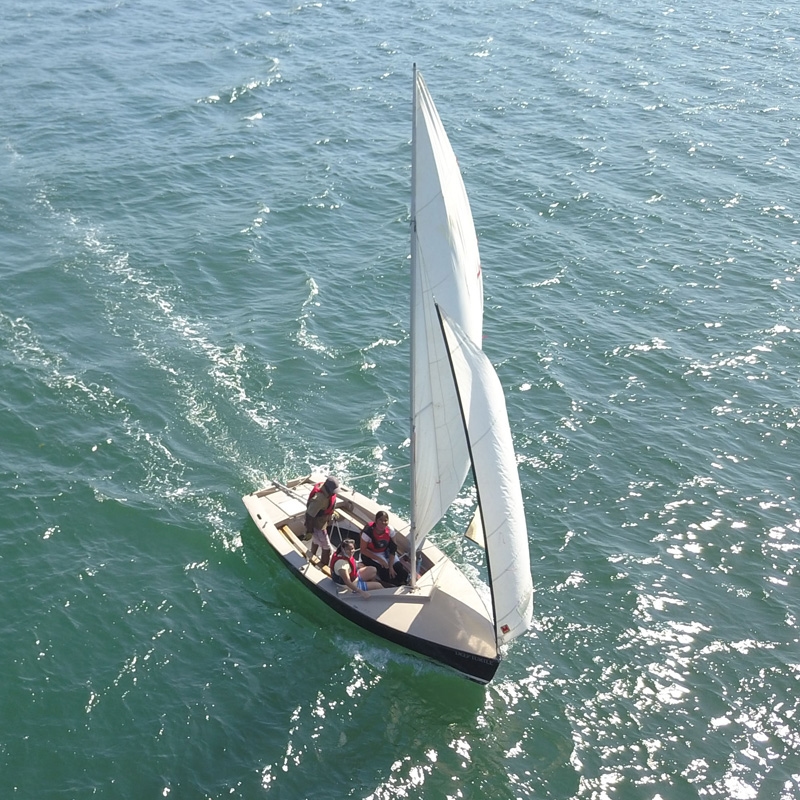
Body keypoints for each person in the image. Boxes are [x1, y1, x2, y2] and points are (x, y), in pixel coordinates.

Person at [360, 510, 409, 586]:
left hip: (386, 551)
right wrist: (380, 560)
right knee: (386, 573)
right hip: (372, 553)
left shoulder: (390, 530)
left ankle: (403, 582)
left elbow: (393, 548)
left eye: (385, 520)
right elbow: (363, 550)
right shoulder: (367, 533)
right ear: (376, 521)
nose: (383, 523)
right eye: (380, 520)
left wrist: (391, 566)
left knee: (400, 570)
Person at [305, 476, 339, 568]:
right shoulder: (319, 499)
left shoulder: (327, 493)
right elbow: (309, 515)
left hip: (323, 521)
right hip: (318, 525)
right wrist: (309, 531)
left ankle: (312, 553)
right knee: (327, 548)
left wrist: (332, 512)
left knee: (316, 540)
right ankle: (323, 566)